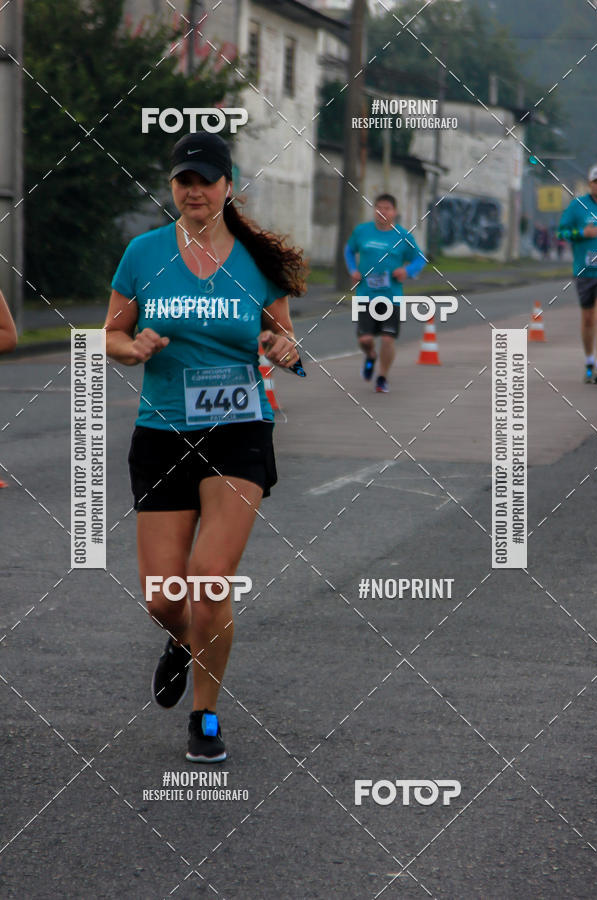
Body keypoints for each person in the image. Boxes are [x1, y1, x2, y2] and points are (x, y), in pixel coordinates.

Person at [104, 132, 306, 762]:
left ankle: (205, 716)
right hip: (162, 432)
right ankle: (184, 640)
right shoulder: (144, 254)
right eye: (183, 180)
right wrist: (130, 348)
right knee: (166, 597)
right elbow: (109, 334)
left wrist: (282, 349)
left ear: (228, 186)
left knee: (210, 582)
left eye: (205, 179)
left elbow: (286, 343)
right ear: (173, 189)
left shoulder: (254, 260)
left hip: (239, 429)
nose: (194, 190)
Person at [344, 194, 426, 392]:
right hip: (365, 295)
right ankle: (371, 355)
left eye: (387, 208)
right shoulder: (362, 231)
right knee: (365, 340)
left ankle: (382, 377)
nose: (382, 212)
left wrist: (407, 271)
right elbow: (348, 250)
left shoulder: (403, 236)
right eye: (379, 207)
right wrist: (352, 270)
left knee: (388, 339)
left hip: (391, 297)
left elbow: (419, 258)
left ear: (395, 212)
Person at [557, 165, 597, 382]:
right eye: (596, 181)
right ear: (590, 183)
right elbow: (561, 232)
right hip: (584, 271)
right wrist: (582, 232)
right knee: (588, 319)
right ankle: (589, 361)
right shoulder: (578, 206)